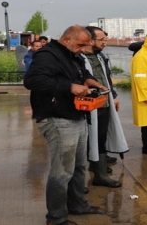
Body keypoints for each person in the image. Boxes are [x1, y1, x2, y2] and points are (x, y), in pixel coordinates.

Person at [24, 25, 108, 225]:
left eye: (86, 46)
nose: (83, 49)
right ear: (66, 38)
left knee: (80, 166)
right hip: (56, 117)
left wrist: (91, 81)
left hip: (76, 115)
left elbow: (81, 74)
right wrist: (70, 87)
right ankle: (56, 217)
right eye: (80, 45)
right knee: (62, 170)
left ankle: (77, 204)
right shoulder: (48, 55)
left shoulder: (73, 55)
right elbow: (33, 80)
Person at [81, 26, 122, 188]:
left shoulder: (99, 57)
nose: (105, 43)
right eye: (102, 40)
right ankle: (96, 171)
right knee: (89, 138)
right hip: (88, 106)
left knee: (101, 136)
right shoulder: (80, 58)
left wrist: (114, 95)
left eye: (106, 39)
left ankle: (100, 171)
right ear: (90, 40)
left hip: (104, 103)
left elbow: (107, 78)